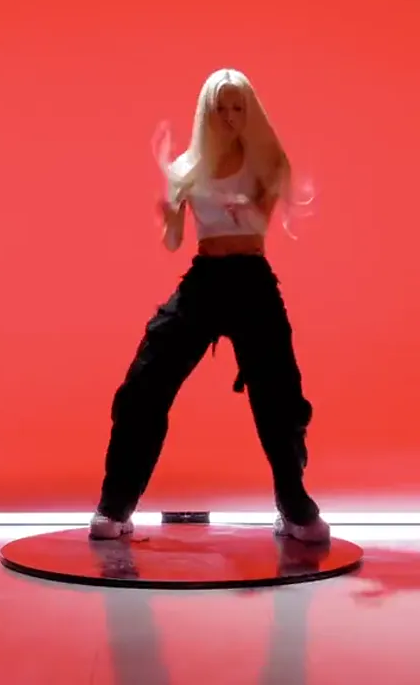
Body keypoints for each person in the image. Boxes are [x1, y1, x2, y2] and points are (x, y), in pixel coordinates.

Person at [89, 68, 330, 544]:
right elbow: (174, 241)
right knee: (144, 385)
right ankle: (115, 505)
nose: (230, 116)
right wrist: (168, 216)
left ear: (250, 109)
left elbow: (259, 220)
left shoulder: (266, 160)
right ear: (207, 110)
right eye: (222, 107)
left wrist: (246, 205)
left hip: (251, 280)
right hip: (205, 280)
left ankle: (294, 507)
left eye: (239, 106)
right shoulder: (187, 168)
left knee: (280, 396)